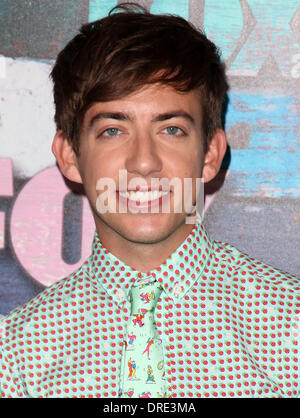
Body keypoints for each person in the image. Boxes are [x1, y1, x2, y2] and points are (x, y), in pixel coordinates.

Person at [0, 3, 299, 398]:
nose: (144, 162)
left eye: (171, 129)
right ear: (70, 155)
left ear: (210, 154)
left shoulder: (291, 329)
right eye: (113, 130)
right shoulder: (15, 357)